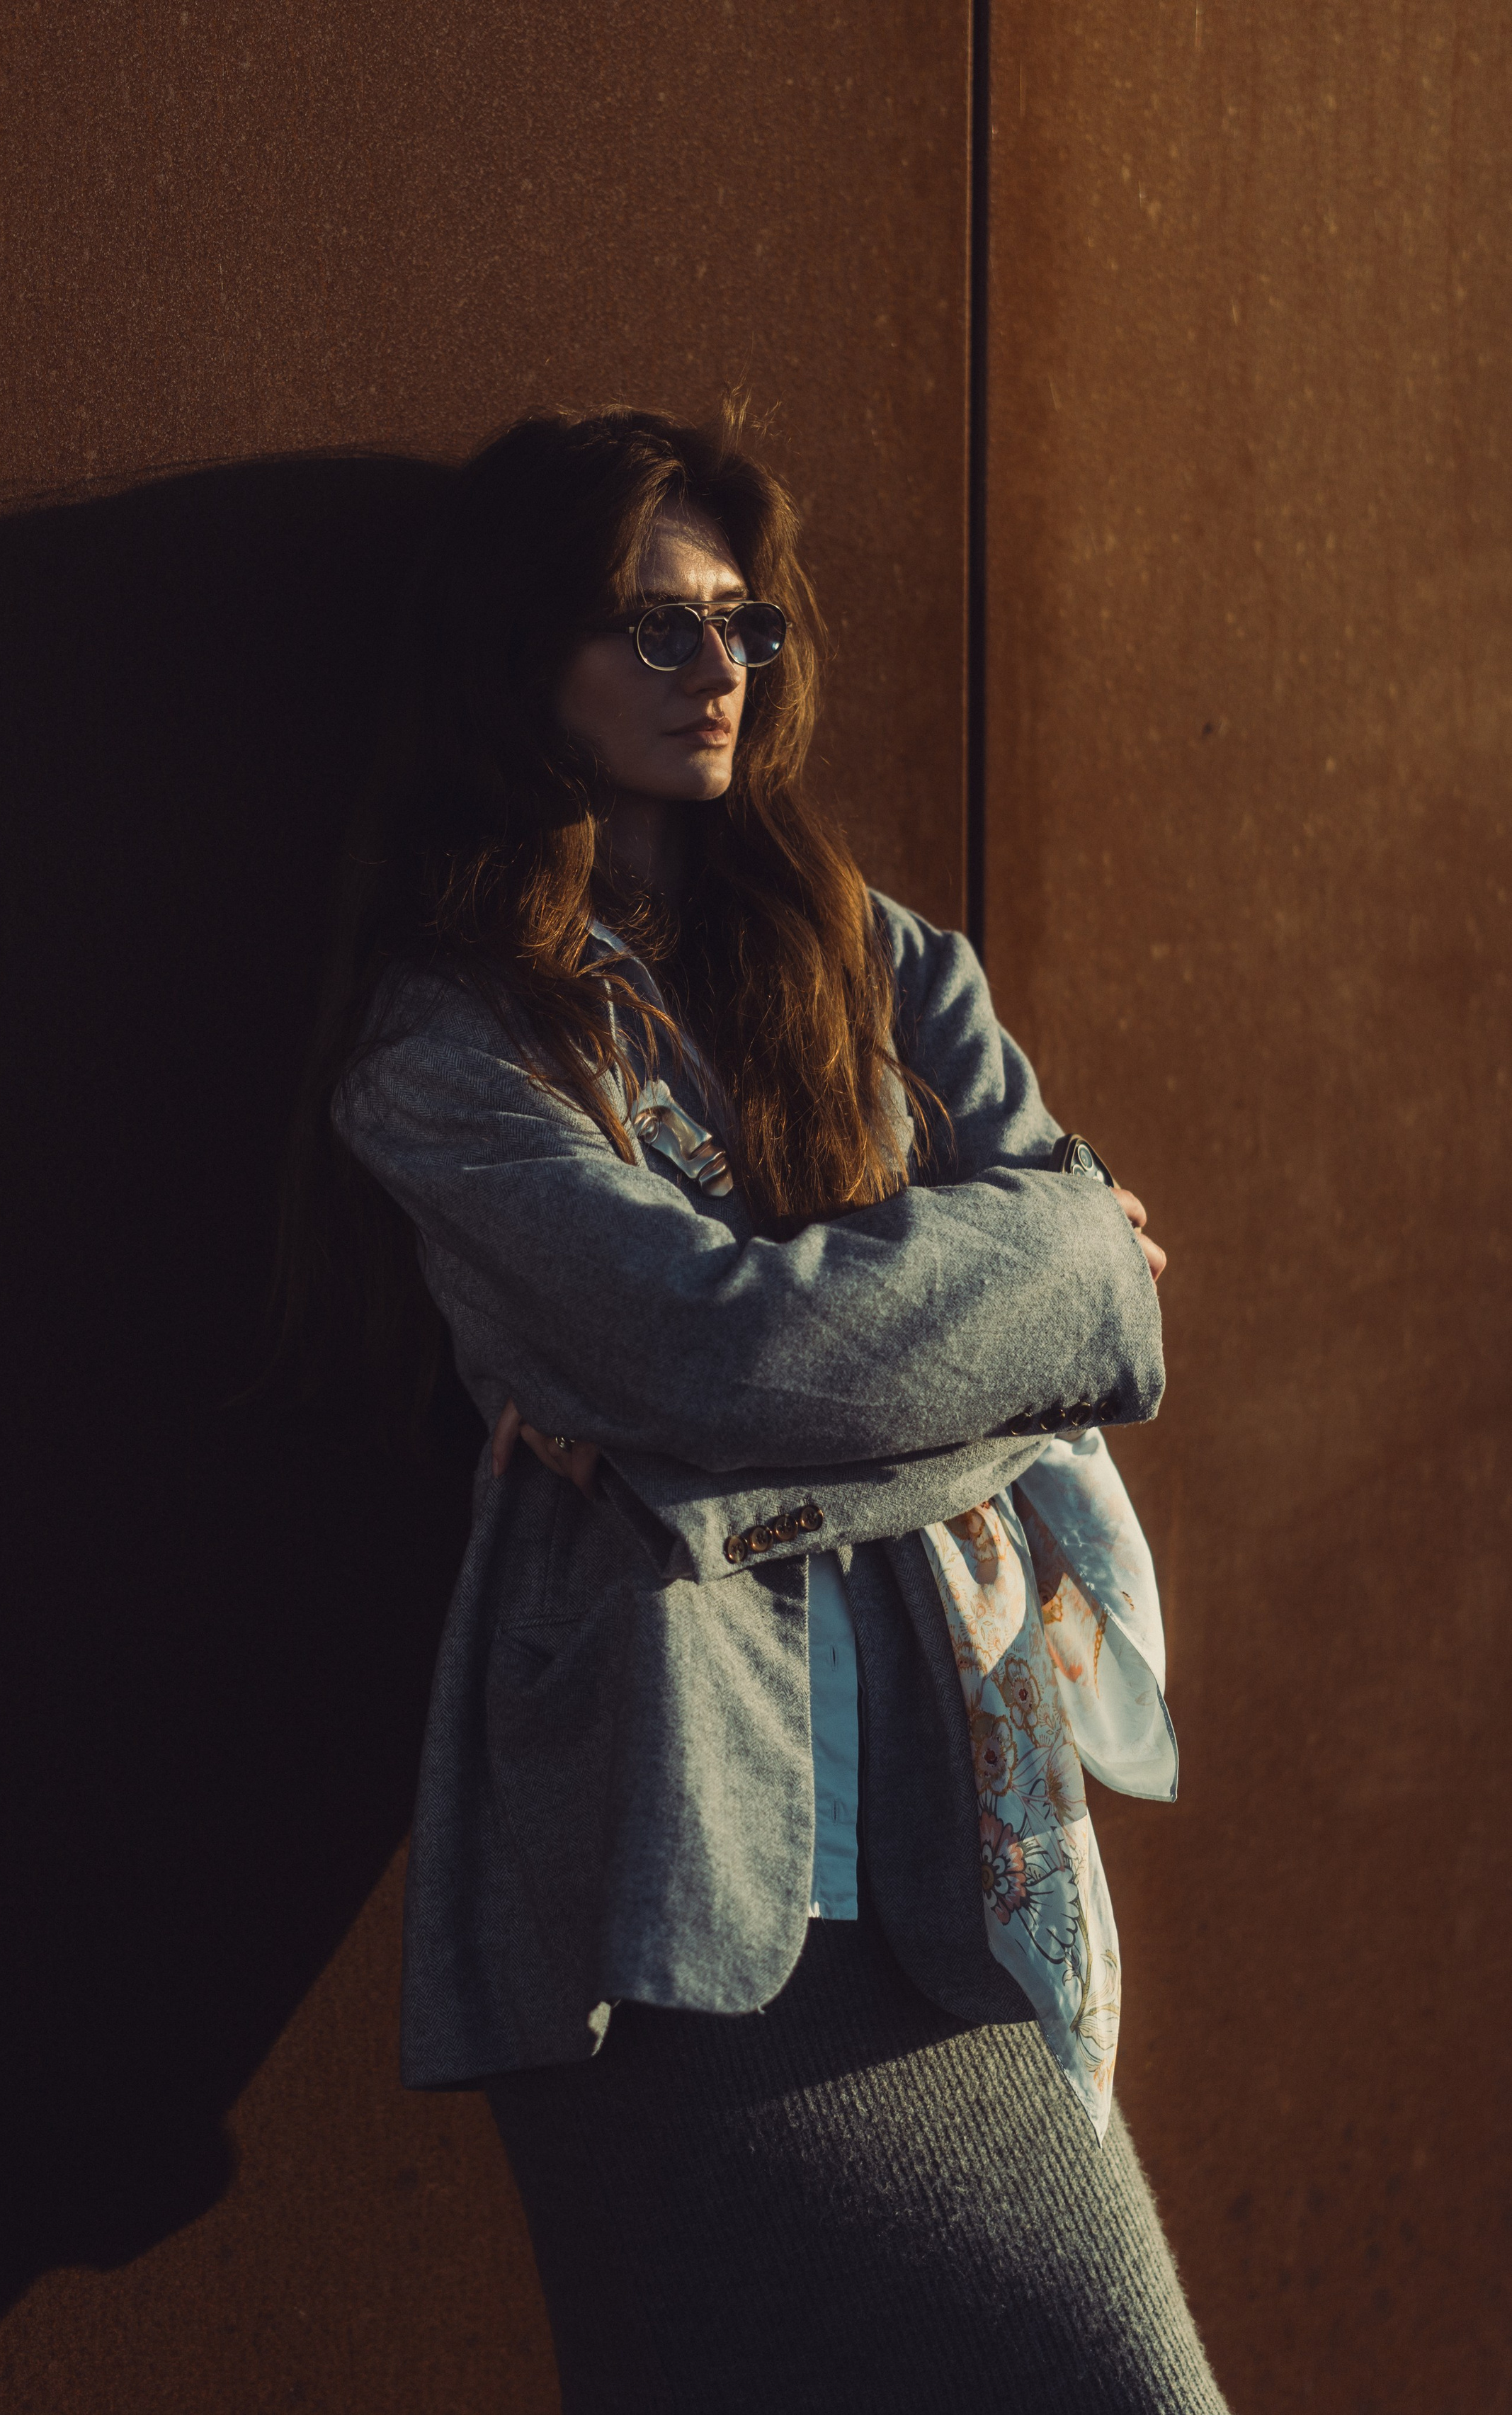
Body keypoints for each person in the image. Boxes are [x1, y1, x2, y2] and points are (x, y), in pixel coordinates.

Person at [285, 405, 1227, 2412]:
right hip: (667, 1874)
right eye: (651, 626)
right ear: (520, 653)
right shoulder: (446, 1041)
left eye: (743, 626)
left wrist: (748, 1455)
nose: (717, 672)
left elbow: (1108, 1320)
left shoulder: (872, 957)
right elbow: (717, 1345)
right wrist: (1009, 1298)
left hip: (945, 1844)